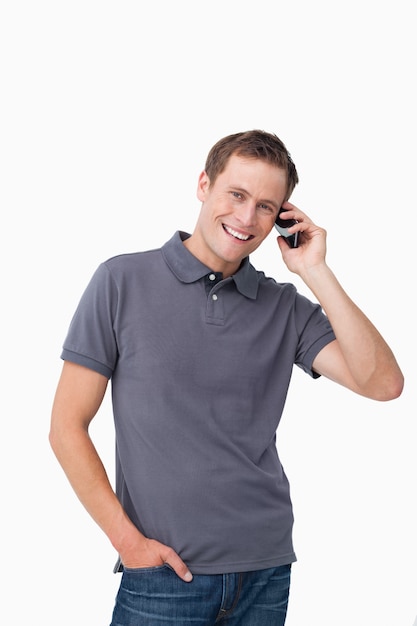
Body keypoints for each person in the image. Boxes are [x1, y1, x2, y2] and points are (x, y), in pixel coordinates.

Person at [49, 129, 404, 626]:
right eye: (236, 194)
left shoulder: (285, 307)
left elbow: (383, 384)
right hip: (163, 574)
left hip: (265, 569)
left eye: (265, 206)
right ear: (203, 184)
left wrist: (315, 271)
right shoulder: (120, 281)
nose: (245, 218)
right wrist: (128, 544)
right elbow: (66, 427)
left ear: (282, 217)